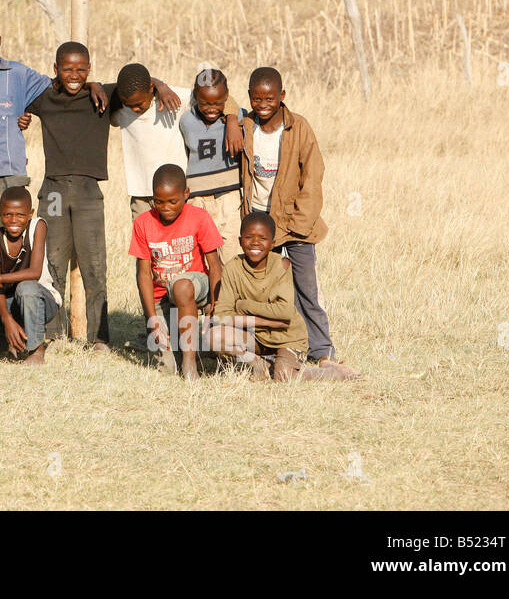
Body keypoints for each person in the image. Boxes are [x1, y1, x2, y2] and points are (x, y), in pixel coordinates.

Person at [0, 13, 108, 299]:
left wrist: (93, 84)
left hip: (12, 178)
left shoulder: (18, 75)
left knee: (17, 253)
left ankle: (17, 317)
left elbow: (62, 83)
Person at [239, 66, 348, 370]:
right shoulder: (245, 126)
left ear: (282, 97)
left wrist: (298, 224)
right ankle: (275, 349)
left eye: (270, 98)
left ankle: (322, 350)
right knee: (268, 291)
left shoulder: (298, 128)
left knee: (307, 290)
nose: (263, 105)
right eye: (257, 99)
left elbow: (313, 177)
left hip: (297, 226)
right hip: (261, 227)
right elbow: (219, 102)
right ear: (249, 97)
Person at [21, 41, 114, 348]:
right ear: (55, 70)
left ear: (90, 69)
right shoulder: (45, 96)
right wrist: (22, 117)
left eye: (81, 69)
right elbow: (13, 94)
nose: (74, 75)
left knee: (93, 266)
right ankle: (53, 333)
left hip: (88, 190)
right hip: (55, 190)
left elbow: (136, 81)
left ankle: (99, 339)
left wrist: (159, 84)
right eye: (67, 69)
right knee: (53, 263)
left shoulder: (102, 96)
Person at [209, 212, 358, 381]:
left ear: (272, 243)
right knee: (214, 336)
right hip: (256, 336)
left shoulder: (282, 264)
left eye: (262, 238)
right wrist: (267, 322)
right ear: (239, 241)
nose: (255, 243)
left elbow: (284, 312)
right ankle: (261, 367)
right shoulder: (232, 268)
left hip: (287, 336)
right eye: (249, 237)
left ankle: (334, 373)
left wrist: (243, 305)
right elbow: (221, 317)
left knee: (284, 376)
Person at [112, 62, 241, 226]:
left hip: (176, 194)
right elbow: (106, 91)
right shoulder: (122, 109)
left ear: (151, 89)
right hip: (141, 194)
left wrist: (231, 119)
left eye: (139, 104)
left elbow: (217, 96)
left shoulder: (174, 98)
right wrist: (159, 83)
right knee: (145, 246)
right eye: (130, 105)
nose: (135, 109)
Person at [129, 164, 224, 380]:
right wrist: (152, 318)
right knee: (166, 368)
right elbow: (143, 273)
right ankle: (190, 351)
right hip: (162, 298)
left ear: (186, 194)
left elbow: (215, 265)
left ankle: (190, 363)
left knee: (181, 285)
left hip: (195, 287)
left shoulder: (199, 217)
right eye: (159, 201)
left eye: (173, 201)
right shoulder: (143, 223)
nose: (166, 207)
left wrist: (214, 306)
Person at [0, 186, 60, 364]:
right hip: (10, 304)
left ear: (30, 214)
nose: (13, 220)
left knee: (26, 287)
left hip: (41, 300)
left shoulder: (37, 226)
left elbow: (34, 272)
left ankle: (36, 350)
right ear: (0, 213)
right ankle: (14, 343)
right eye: (7, 215)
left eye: (20, 215)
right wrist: (7, 320)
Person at [180, 67, 244, 245]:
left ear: (226, 97)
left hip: (229, 196)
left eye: (217, 103)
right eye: (205, 103)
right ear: (195, 96)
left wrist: (232, 119)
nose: (211, 109)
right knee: (201, 252)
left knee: (231, 251)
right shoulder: (186, 120)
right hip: (196, 198)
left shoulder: (238, 117)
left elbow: (232, 106)